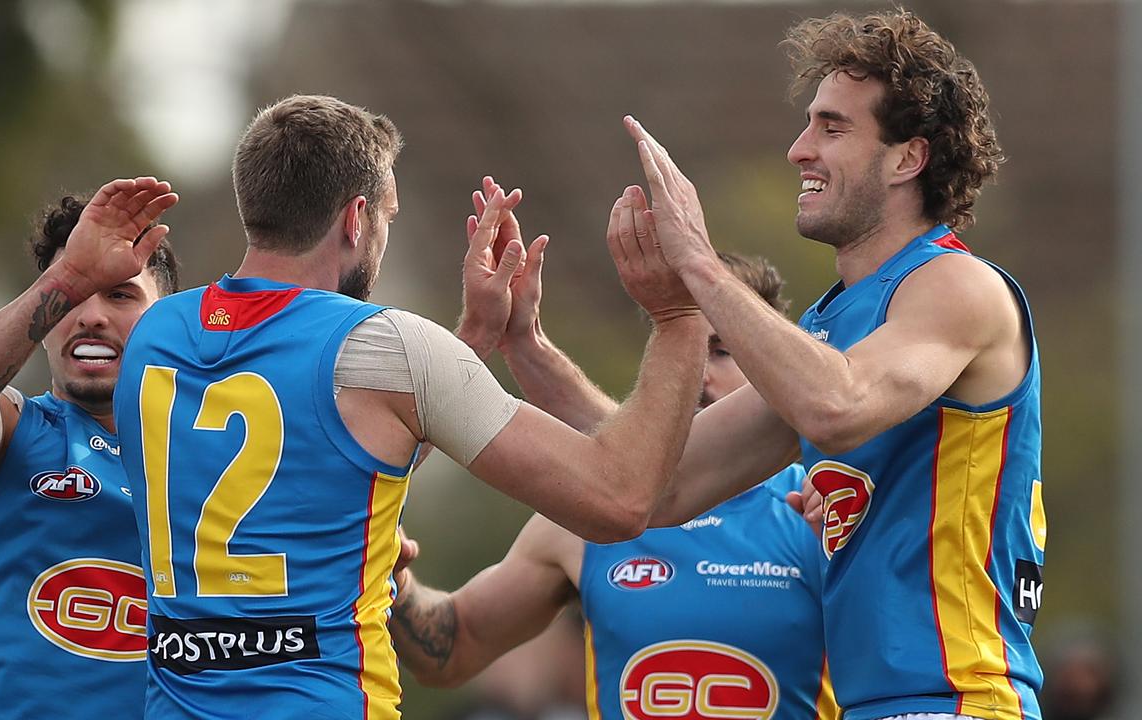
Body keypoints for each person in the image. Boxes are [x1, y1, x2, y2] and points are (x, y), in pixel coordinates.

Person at [461, 9, 1043, 720]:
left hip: (958, 702)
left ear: (906, 158)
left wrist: (700, 270)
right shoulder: (831, 328)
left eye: (832, 127)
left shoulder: (957, 286)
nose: (799, 149)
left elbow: (839, 407)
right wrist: (500, 359)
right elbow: (665, 482)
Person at [111, 95, 709, 719]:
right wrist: (678, 314)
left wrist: (473, 340)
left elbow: (328, 452)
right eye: (388, 216)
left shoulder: (156, 335)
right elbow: (619, 498)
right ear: (356, 219)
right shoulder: (387, 345)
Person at [394, 229, 838, 719]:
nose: (696, 375)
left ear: (771, 365)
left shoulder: (824, 509)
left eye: (721, 350)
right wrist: (391, 574)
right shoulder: (586, 519)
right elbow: (453, 649)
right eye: (681, 346)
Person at [0, 177, 179, 719]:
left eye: (120, 293)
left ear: (166, 320)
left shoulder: (213, 462)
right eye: (73, 296)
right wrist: (68, 275)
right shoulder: (11, 433)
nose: (91, 314)